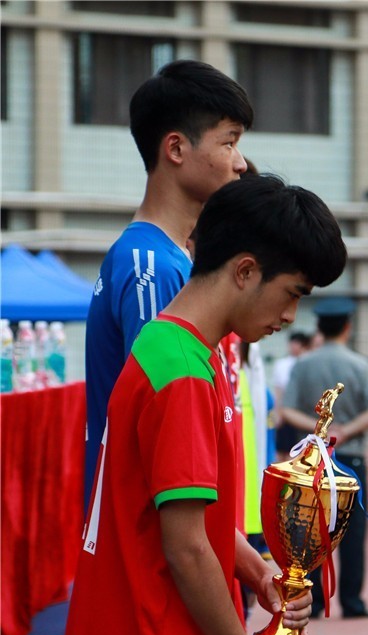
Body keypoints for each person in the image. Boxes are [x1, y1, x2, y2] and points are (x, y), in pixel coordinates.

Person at [62, 174, 347, 635]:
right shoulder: (185, 373)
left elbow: (194, 517)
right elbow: (188, 549)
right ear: (245, 271)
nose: (292, 316)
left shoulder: (172, 345)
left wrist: (258, 573)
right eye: (292, 292)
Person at [84, 59, 253, 503]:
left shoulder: (171, 258)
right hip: (154, 550)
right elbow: (163, 442)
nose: (240, 163)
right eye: (229, 142)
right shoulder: (151, 267)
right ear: (176, 149)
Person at [281, 297, 368, 619]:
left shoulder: (303, 364)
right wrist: (346, 430)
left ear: (319, 328)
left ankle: (316, 599)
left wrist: (319, 430)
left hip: (313, 461)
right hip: (349, 459)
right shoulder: (359, 364)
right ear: (347, 327)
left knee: (311, 528)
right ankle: (352, 601)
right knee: (352, 533)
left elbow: (286, 410)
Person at [271, 330, 313, 460]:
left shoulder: (307, 363)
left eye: (297, 344)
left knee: (300, 450)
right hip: (285, 412)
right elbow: (278, 390)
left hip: (301, 412)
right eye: (292, 343)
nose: (293, 347)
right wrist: (278, 412)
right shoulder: (281, 364)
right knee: (282, 450)